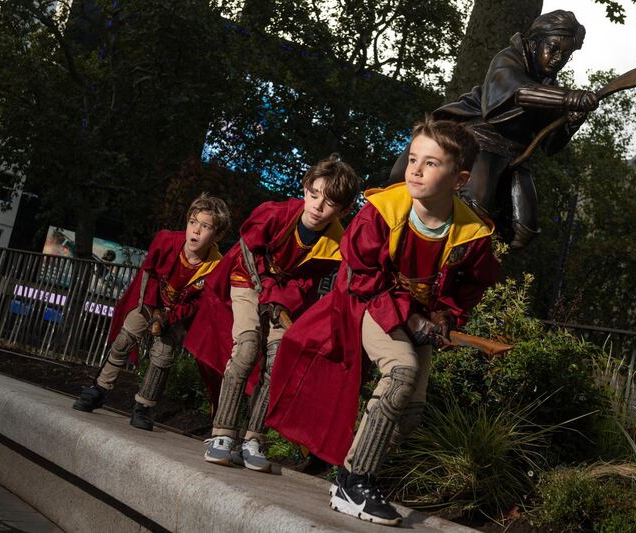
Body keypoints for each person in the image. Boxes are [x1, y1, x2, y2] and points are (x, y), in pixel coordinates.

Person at [265, 119, 500, 526]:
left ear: (459, 178)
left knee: (410, 412)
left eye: (430, 163)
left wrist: (445, 315)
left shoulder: (472, 233)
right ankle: (356, 482)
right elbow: (360, 276)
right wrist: (407, 317)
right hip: (369, 304)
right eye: (412, 159)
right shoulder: (382, 211)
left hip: (419, 319)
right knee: (401, 371)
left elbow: (469, 286)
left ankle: (351, 473)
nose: (415, 170)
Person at [183, 154, 363, 472]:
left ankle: (254, 438)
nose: (318, 206)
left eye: (330, 202)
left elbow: (309, 281)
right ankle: (223, 433)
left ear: (345, 209)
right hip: (247, 280)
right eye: (314, 194)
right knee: (248, 346)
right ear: (306, 187)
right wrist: (265, 289)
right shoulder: (276, 214)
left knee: (278, 360)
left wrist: (281, 301)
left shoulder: (336, 243)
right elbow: (249, 253)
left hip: (284, 297)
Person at [390, 10, 596, 250]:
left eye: (566, 54)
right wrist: (567, 98)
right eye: (553, 48)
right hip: (480, 141)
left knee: (524, 230)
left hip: (514, 156)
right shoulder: (508, 60)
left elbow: (551, 143)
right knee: (473, 208)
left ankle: (479, 264)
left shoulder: (550, 85)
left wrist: (573, 119)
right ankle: (437, 256)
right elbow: (510, 95)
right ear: (534, 42)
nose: (557, 59)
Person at [73, 193, 231, 431]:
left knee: (163, 354)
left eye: (206, 226)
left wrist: (170, 317)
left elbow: (200, 303)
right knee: (127, 335)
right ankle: (99, 388)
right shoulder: (167, 240)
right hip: (150, 300)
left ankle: (143, 406)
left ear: (218, 235)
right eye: (193, 222)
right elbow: (149, 275)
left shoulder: (216, 266)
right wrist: (151, 309)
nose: (196, 231)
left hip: (178, 314)